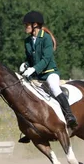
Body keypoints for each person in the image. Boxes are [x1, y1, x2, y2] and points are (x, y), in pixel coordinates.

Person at [18, 11, 77, 144]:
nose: (25, 27)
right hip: (37, 76)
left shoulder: (46, 38)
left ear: (35, 25)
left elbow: (46, 59)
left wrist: (34, 69)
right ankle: (30, 127)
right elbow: (30, 59)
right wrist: (25, 65)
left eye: (27, 25)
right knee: (26, 94)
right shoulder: (27, 41)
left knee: (54, 87)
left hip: (50, 72)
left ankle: (69, 115)